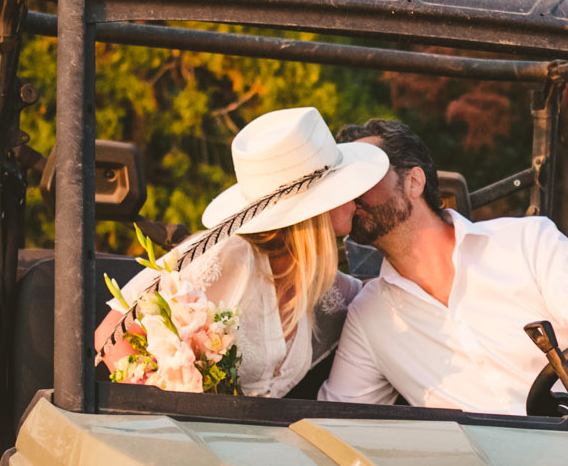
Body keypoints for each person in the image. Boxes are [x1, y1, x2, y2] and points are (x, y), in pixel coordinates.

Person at [319, 118, 568, 413]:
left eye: (366, 173)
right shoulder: (368, 316)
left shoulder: (527, 241)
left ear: (414, 181)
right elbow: (336, 424)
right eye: (343, 181)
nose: (351, 192)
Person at [97, 106, 386, 397]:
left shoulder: (317, 282)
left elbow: (379, 297)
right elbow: (110, 334)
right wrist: (167, 402)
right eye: (342, 185)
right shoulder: (229, 254)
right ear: (315, 207)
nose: (357, 197)